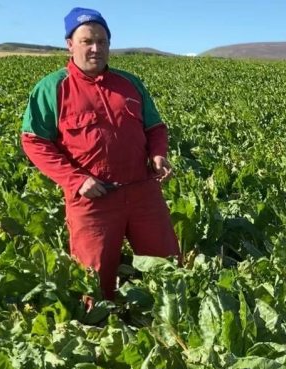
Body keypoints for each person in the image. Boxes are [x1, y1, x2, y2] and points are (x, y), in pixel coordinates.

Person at [21, 7, 180, 301]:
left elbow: (156, 127)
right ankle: (98, 337)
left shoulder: (130, 83)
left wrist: (158, 155)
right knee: (93, 282)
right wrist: (76, 180)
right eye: (87, 41)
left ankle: (165, 327)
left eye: (102, 42)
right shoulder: (52, 88)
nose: (96, 49)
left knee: (168, 267)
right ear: (70, 44)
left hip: (143, 192)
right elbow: (34, 142)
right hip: (93, 199)